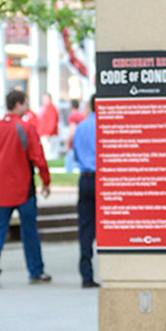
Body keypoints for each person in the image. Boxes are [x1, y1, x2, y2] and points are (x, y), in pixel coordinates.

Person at [0, 90, 52, 288]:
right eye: (25, 104)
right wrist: (46, 181)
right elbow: (38, 158)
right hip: (23, 190)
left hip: (1, 191)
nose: (27, 108)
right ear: (18, 105)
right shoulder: (25, 128)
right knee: (29, 231)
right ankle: (35, 271)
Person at [72, 94, 99, 288]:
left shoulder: (81, 127)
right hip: (104, 179)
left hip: (85, 179)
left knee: (86, 228)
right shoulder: (106, 126)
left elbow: (75, 153)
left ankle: (86, 274)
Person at [38, 93, 60, 159]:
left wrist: (48, 133)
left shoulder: (51, 109)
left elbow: (52, 122)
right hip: (45, 134)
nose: (44, 101)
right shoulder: (45, 109)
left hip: (49, 135)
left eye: (45, 99)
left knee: (49, 154)